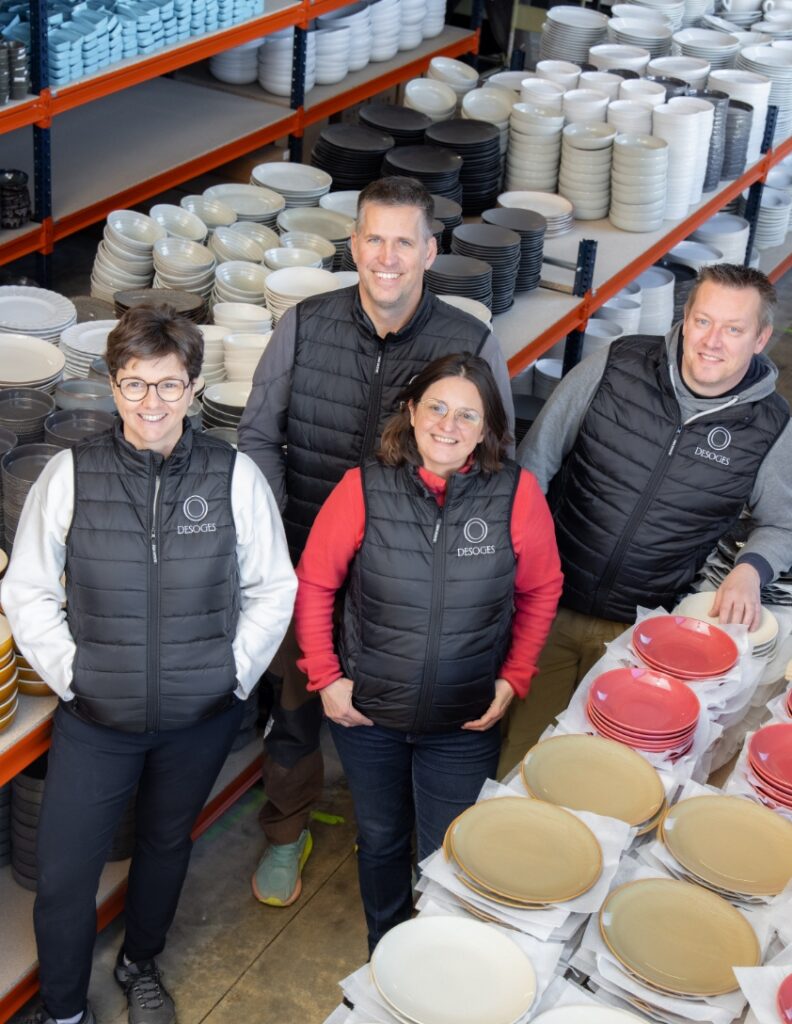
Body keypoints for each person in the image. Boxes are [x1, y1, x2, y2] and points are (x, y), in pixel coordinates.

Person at [1, 306, 297, 1024]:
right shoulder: (71, 474)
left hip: (199, 718)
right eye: (135, 384)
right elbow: (28, 588)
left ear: (194, 388)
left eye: (168, 385)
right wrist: (74, 675)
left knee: (165, 847)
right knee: (66, 872)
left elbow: (273, 587)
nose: (151, 403)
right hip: (96, 720)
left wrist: (231, 674)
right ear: (112, 386)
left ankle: (140, 963)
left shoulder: (234, 476)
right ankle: (64, 1009)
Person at [238, 175, 515, 907]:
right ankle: (286, 829)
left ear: (429, 251)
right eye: (374, 239)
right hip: (307, 565)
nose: (387, 257)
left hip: (415, 586)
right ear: (354, 245)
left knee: (405, 714)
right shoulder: (305, 325)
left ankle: (391, 836)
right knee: (295, 711)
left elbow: (495, 469)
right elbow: (259, 436)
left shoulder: (470, 343)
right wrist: (278, 546)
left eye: (403, 242)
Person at [293, 353, 562, 953]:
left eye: (468, 414)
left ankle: (438, 961)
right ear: (411, 412)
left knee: (450, 851)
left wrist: (514, 677)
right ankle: (388, 952)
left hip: (463, 723)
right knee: (382, 839)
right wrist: (326, 677)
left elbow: (542, 588)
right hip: (368, 718)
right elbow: (314, 584)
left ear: (488, 428)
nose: (449, 425)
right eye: (437, 407)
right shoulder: (363, 487)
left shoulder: (515, 493)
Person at [499, 262, 792, 774]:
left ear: (761, 338)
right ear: (685, 317)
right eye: (703, 321)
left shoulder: (771, 426)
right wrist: (518, 567)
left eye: (733, 329)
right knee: (522, 761)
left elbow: (782, 524)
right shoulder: (617, 364)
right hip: (548, 606)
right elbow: (535, 463)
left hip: (649, 636)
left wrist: (750, 570)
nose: (711, 342)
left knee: (606, 771)